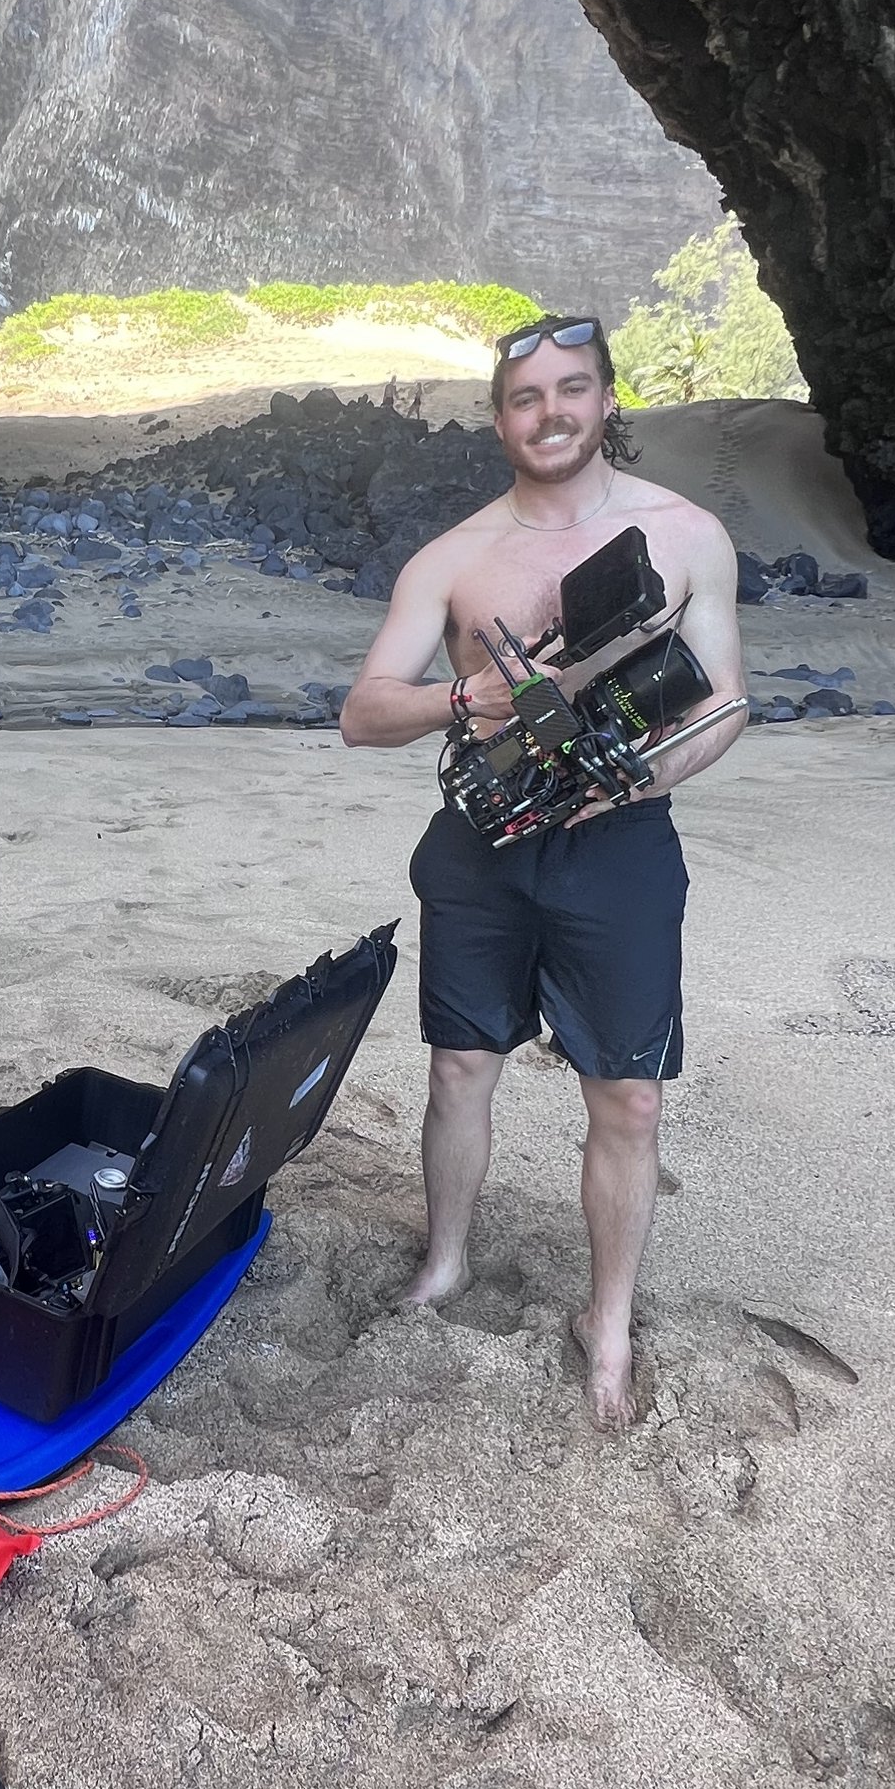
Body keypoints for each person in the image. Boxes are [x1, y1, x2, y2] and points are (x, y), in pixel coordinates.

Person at [339, 311, 748, 1428]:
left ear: (607, 399)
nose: (551, 412)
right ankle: (446, 1261)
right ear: (499, 419)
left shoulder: (689, 536)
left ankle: (605, 1321)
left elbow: (723, 703)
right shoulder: (453, 558)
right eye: (526, 397)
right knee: (459, 1068)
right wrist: (462, 695)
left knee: (628, 1094)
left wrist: (639, 781)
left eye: (572, 390)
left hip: (619, 847)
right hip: (481, 844)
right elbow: (364, 713)